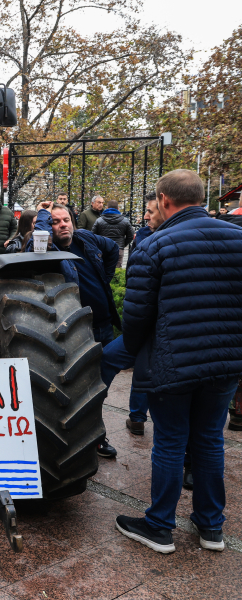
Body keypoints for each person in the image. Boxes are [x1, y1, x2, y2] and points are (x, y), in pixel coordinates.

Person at [114, 169, 242, 555]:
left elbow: (136, 316)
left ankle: (159, 527)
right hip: (225, 364)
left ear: (164, 200)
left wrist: (130, 354)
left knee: (170, 442)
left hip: (173, 364)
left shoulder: (154, 246)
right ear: (202, 198)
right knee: (209, 440)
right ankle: (211, 528)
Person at [28, 201, 121, 458]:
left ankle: (95, 435)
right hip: (76, 331)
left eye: (65, 220)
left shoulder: (86, 239)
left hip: (102, 326)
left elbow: (112, 248)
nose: (62, 225)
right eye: (55, 222)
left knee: (98, 387)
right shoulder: (49, 251)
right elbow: (34, 247)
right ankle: (90, 439)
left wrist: (107, 276)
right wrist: (43, 214)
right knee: (81, 389)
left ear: (73, 220)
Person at [100, 193, 163, 437]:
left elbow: (140, 296)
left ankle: (136, 417)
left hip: (154, 326)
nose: (145, 216)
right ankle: (129, 417)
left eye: (151, 211)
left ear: (166, 206)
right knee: (121, 361)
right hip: (148, 325)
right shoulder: (145, 236)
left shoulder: (155, 243)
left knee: (139, 366)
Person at [92, 200, 134, 266]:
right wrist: (123, 244)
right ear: (118, 209)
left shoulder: (99, 220)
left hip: (103, 249)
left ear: (107, 208)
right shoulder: (125, 221)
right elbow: (130, 236)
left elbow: (93, 235)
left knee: (103, 269)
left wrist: (100, 244)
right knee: (116, 270)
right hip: (118, 249)